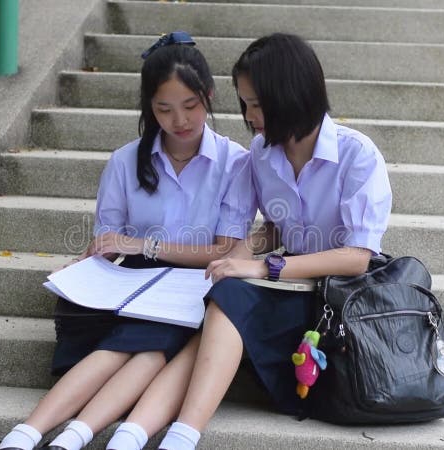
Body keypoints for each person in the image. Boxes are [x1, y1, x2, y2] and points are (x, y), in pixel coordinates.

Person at [0, 31, 255, 450]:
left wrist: (144, 246)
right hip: (130, 285)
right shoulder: (124, 161)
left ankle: (60, 434)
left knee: (147, 346)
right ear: (149, 108)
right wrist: (87, 262)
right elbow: (109, 239)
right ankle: (32, 434)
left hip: (193, 285)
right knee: (134, 346)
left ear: (208, 95)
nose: (180, 120)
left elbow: (226, 249)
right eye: (164, 109)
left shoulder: (235, 163)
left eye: (191, 106)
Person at [156, 33, 393, 450]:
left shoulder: (359, 155)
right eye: (245, 103)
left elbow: (357, 257)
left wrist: (266, 266)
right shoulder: (263, 154)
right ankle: (177, 433)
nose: (250, 116)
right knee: (226, 292)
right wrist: (240, 254)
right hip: (290, 285)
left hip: (339, 295)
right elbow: (278, 230)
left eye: (258, 104)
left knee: (232, 299)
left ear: (292, 94)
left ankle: (177, 431)